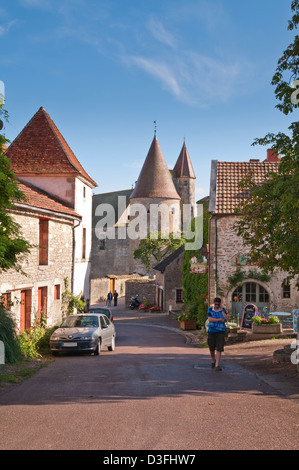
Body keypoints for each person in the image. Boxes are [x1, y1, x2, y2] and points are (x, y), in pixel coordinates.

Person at [207, 297, 229, 371]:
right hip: (212, 331)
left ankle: (217, 365)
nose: (216, 306)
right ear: (214, 303)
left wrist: (222, 311)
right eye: (215, 304)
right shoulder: (210, 309)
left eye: (218, 304)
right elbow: (210, 319)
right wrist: (219, 319)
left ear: (220, 304)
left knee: (219, 348)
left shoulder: (223, 310)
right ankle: (213, 360)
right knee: (211, 348)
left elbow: (226, 318)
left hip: (220, 332)